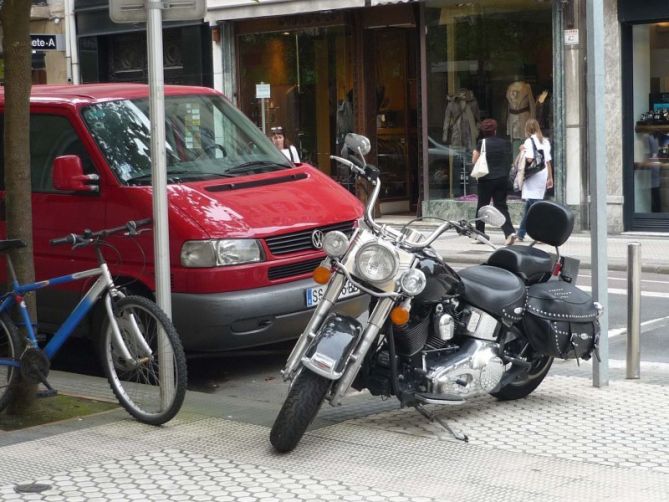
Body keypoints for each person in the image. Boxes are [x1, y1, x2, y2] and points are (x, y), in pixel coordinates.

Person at [471, 118, 516, 245]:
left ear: (483, 132)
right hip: (502, 178)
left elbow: (475, 160)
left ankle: (480, 235)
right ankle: (509, 232)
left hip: (486, 179)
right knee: (501, 206)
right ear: (495, 130)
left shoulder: (482, 143)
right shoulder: (504, 143)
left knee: (482, 206)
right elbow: (509, 160)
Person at [516, 118, 553, 242]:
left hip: (533, 176)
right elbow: (547, 161)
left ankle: (542, 234)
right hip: (542, 174)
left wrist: (522, 151)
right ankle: (521, 232)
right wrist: (550, 177)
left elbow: (530, 159)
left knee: (535, 207)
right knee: (530, 205)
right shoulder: (545, 141)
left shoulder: (528, 141)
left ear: (527, 129)